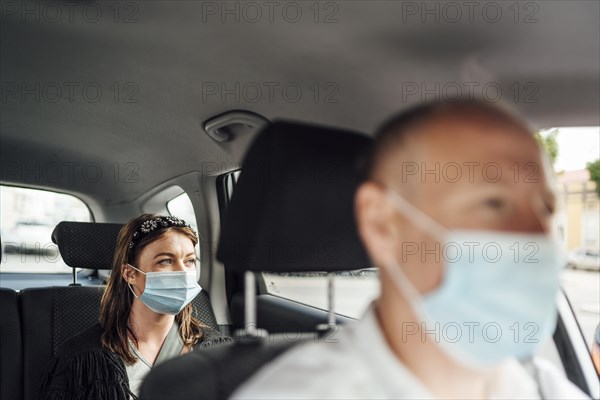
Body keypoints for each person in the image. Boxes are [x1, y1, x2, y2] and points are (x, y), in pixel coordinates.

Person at [232, 101, 590, 399]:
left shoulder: (544, 388)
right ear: (381, 224)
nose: (540, 238)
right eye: (494, 203)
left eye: (547, 208)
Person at [38, 214, 230, 400]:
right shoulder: (82, 360)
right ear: (130, 273)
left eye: (189, 261)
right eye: (165, 261)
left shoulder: (217, 350)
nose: (183, 272)